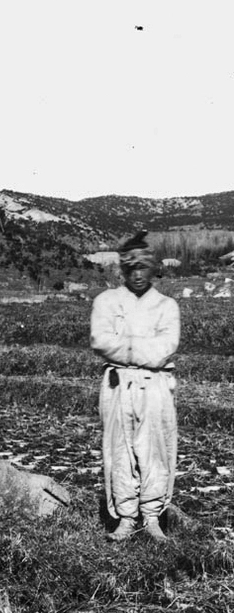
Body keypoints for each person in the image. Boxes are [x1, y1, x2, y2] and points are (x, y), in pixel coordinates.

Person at [90, 230, 180, 542]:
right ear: (123, 271)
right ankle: (126, 517)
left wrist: (125, 346)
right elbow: (100, 340)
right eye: (131, 269)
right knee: (119, 449)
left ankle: (152, 516)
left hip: (155, 387)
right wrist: (141, 348)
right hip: (117, 386)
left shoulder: (167, 306)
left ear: (153, 270)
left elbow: (166, 347)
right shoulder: (106, 301)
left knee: (154, 449)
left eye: (143, 268)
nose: (138, 275)